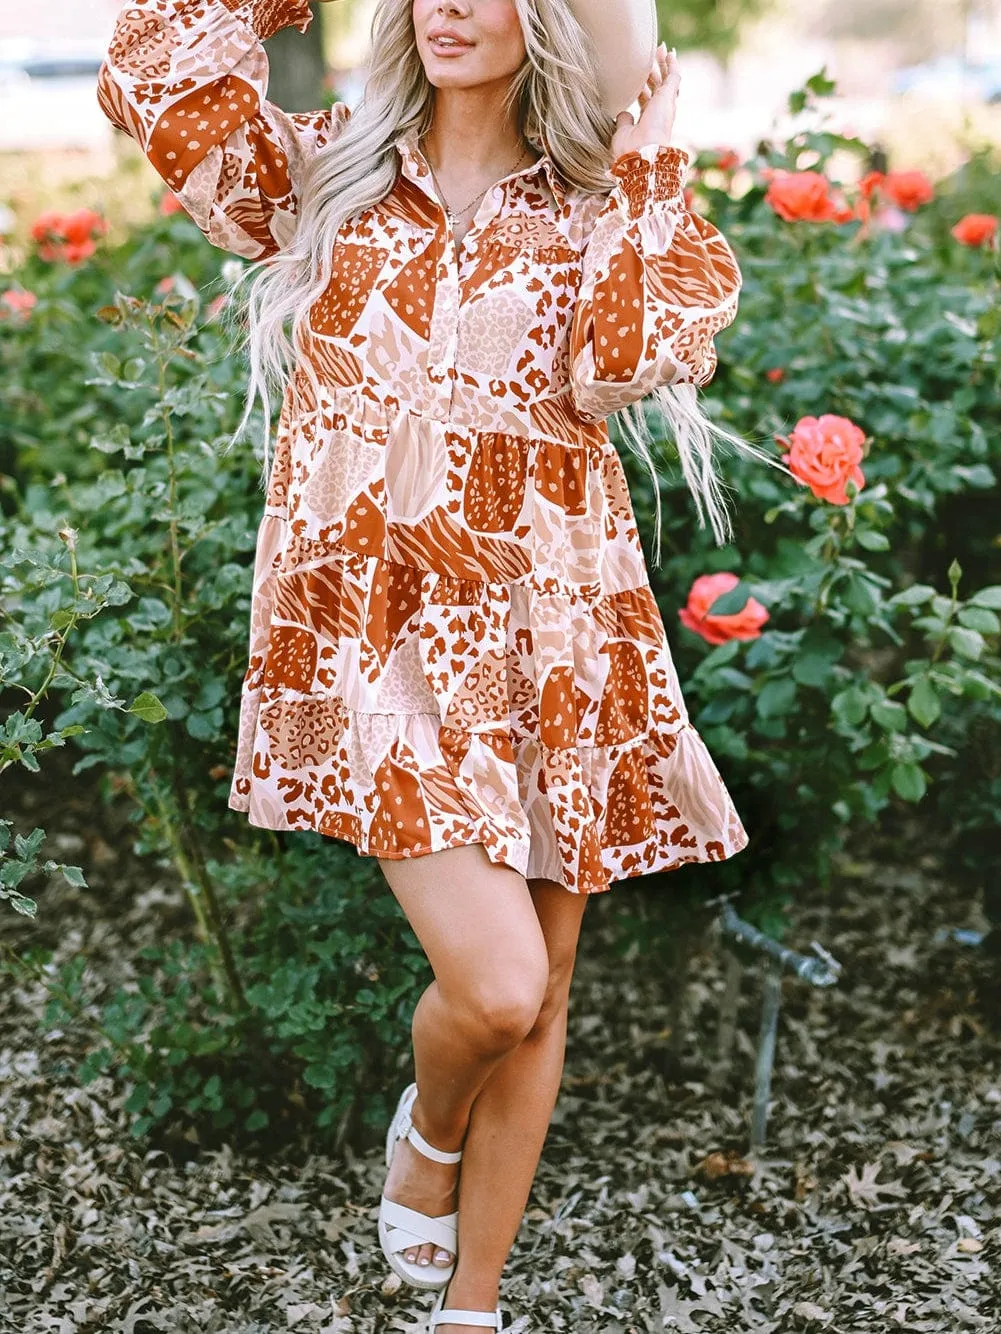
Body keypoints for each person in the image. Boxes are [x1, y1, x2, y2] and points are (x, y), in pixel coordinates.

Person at [98, 2, 764, 1329]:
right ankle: (431, 1125)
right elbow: (149, 73)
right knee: (498, 984)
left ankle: (472, 1305)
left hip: (555, 628)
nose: (448, 4)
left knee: (546, 989)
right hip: (374, 635)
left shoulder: (598, 202)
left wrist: (649, 164)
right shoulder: (323, 172)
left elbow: (625, 363)